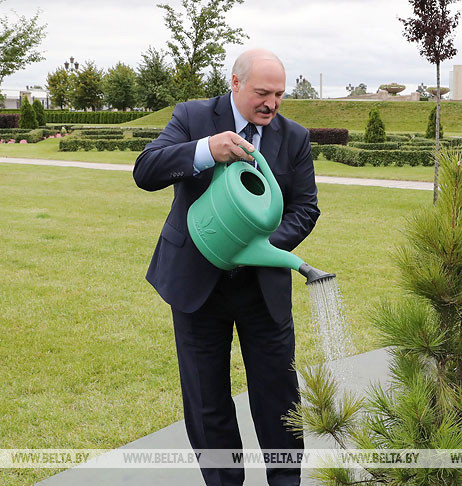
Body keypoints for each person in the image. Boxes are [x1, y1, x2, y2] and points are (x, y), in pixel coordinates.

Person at [133, 48, 319, 486]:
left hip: (262, 290)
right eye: (262, 92)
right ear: (234, 84)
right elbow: (145, 171)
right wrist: (205, 150)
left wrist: (251, 245)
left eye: (279, 94)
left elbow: (305, 209)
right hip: (197, 286)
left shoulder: (294, 137)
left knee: (279, 399)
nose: (272, 103)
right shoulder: (193, 117)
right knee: (207, 402)